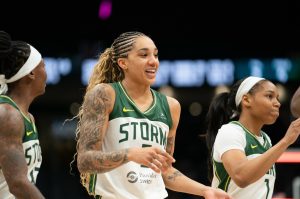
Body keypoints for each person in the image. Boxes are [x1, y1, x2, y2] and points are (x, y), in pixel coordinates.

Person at [75, 31, 231, 199]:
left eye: (155, 55)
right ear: (123, 63)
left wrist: (205, 190)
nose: (153, 61)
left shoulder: (171, 106)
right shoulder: (106, 94)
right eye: (144, 55)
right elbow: (85, 161)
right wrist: (130, 154)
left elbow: (166, 170)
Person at [205, 76, 300, 199]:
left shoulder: (266, 139)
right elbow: (241, 177)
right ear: (246, 100)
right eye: (269, 96)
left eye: (277, 98)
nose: (277, 103)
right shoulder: (230, 131)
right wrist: (286, 141)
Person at [0, 31, 46, 198]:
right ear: (31, 73)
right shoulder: (7, 114)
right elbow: (17, 183)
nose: (46, 73)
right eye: (43, 66)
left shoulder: (27, 117)